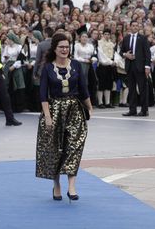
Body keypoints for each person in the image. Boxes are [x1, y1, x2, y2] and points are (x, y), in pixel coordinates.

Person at [36, 33, 92, 202]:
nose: (64, 50)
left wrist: (89, 106)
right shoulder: (47, 68)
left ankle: (72, 186)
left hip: (74, 109)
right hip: (54, 109)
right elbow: (43, 94)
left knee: (74, 145)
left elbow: (83, 88)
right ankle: (57, 185)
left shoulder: (75, 65)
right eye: (61, 47)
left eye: (67, 47)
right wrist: (47, 116)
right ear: (54, 48)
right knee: (55, 148)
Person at [121, 20, 151, 117]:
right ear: (130, 27)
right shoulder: (126, 38)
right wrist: (126, 55)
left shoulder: (142, 38)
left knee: (142, 89)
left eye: (136, 25)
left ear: (138, 27)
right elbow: (121, 51)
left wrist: (147, 66)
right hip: (130, 66)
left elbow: (147, 53)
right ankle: (132, 109)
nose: (134, 27)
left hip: (140, 66)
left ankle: (144, 110)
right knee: (132, 89)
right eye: (133, 25)